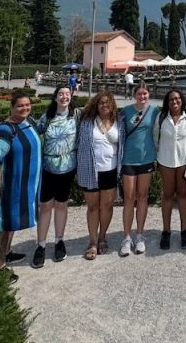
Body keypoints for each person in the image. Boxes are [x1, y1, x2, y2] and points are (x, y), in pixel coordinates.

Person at [0, 89, 41, 283]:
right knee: (0, 226)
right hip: (6, 187)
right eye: (20, 105)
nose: (25, 108)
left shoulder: (29, 124)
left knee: (10, 224)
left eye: (27, 105)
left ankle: (8, 252)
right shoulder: (4, 130)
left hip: (21, 188)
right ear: (12, 107)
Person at [76, 90, 127, 260]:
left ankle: (102, 236)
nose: (104, 105)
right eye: (101, 102)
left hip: (110, 170)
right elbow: (78, 143)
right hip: (90, 169)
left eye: (107, 102)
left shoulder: (119, 122)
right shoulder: (87, 122)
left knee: (107, 206)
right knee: (92, 207)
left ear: (112, 105)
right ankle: (92, 242)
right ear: (96, 105)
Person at [32, 85, 78, 268]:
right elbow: (34, 131)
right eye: (61, 94)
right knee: (45, 206)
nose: (64, 97)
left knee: (61, 205)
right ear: (55, 97)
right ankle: (41, 245)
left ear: (71, 97)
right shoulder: (48, 117)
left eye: (67, 94)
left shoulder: (76, 116)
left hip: (68, 168)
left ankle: (59, 240)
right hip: (48, 167)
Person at [153, 89, 186, 250]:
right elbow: (155, 138)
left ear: (182, 101)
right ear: (167, 102)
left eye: (178, 99)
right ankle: (166, 231)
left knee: (182, 195)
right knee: (166, 196)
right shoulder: (161, 118)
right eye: (172, 99)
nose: (175, 102)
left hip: (183, 162)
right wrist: (157, 157)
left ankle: (184, 230)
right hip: (165, 161)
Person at [118, 83, 159, 257]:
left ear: (148, 95)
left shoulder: (154, 111)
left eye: (145, 93)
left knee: (142, 197)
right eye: (139, 94)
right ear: (134, 95)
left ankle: (140, 235)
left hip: (146, 158)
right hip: (128, 159)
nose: (142, 96)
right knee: (128, 198)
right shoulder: (125, 111)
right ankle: (127, 237)